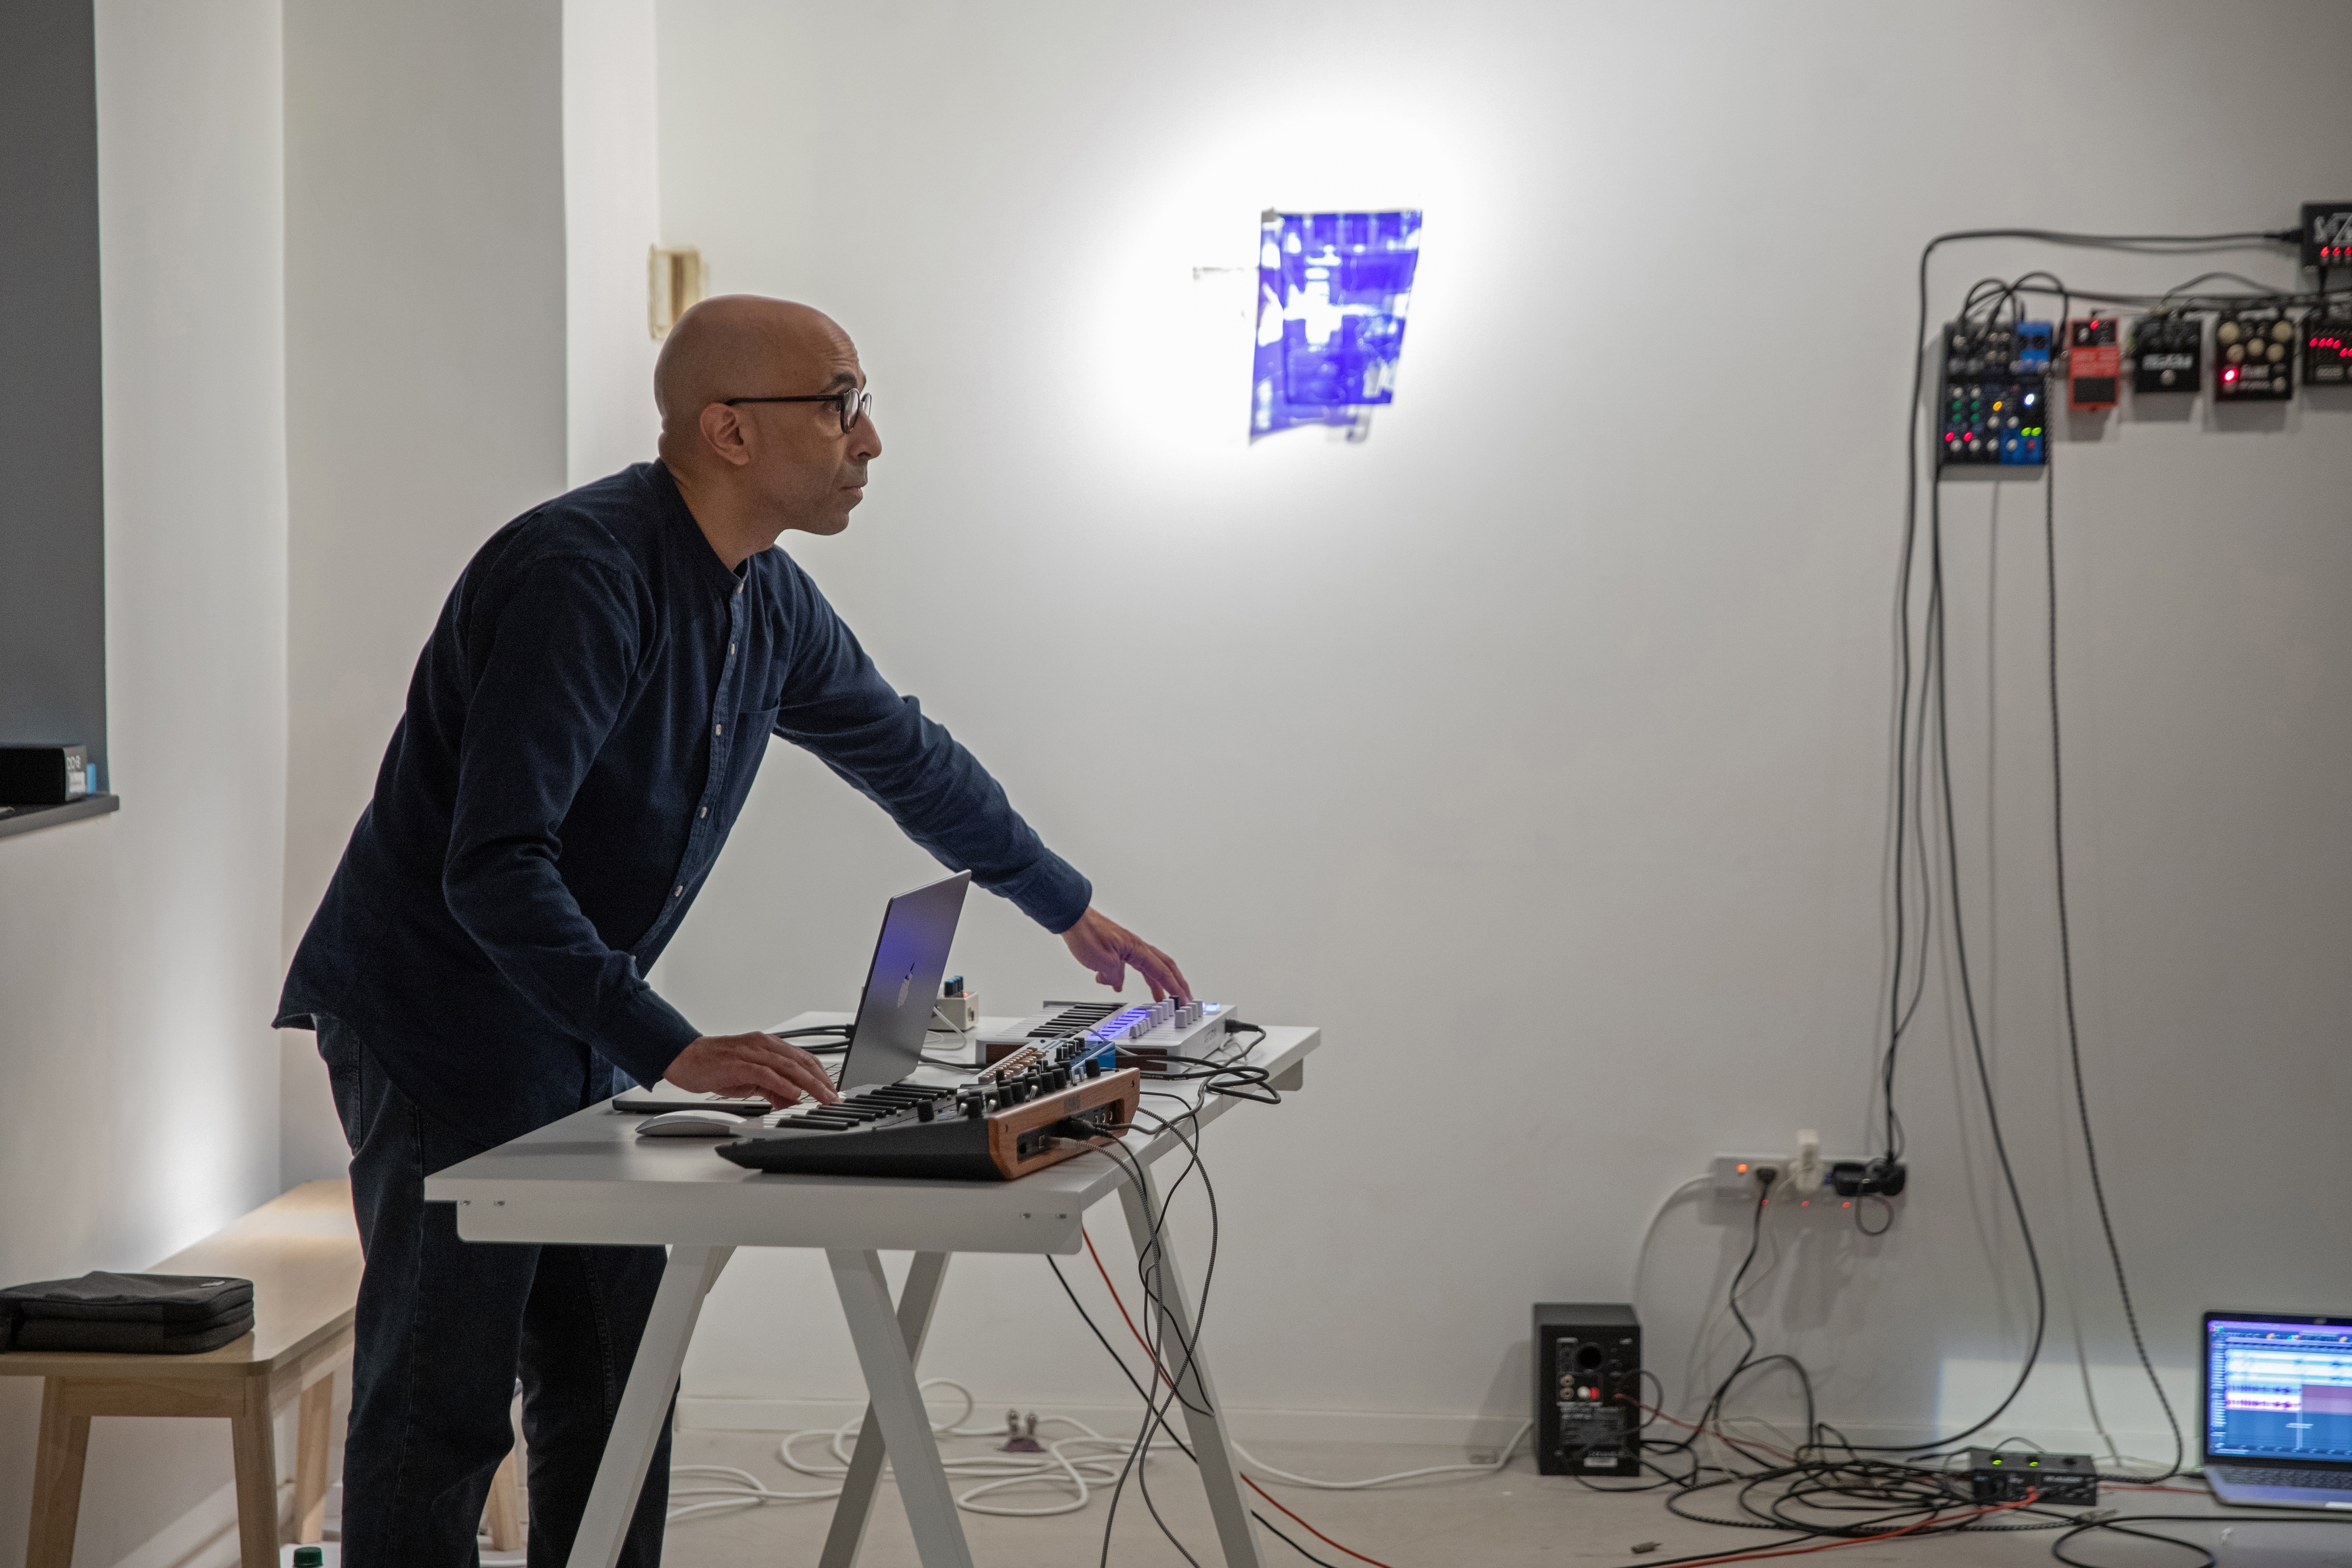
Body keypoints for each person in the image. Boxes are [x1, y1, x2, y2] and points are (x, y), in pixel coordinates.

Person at [275, 295, 1188, 1566]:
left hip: (574, 1022)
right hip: (435, 1022)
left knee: (617, 1387)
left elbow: (909, 760)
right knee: (441, 1409)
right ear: (730, 431)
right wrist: (671, 1048)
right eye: (840, 401)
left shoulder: (770, 599)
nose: (868, 440)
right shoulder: (579, 577)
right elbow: (491, 870)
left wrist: (1069, 909)